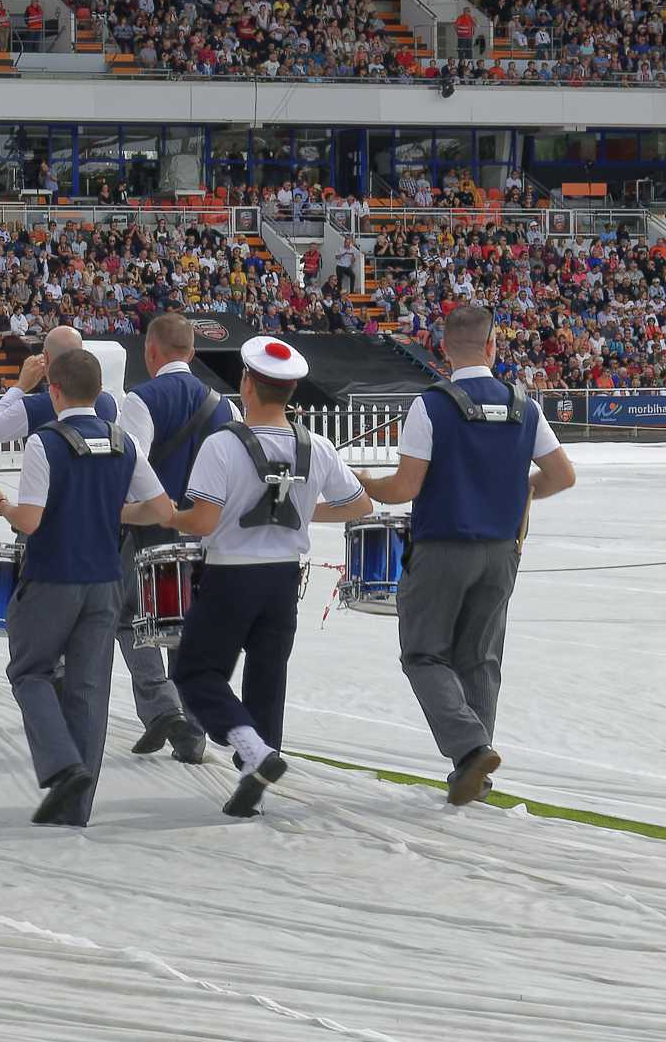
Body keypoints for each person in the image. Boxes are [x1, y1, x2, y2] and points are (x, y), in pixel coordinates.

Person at [355, 305, 575, 803]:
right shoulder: (525, 406)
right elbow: (562, 475)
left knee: (424, 653)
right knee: (480, 658)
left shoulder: (431, 405)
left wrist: (364, 482)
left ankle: (471, 748)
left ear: (442, 349)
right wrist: (520, 493)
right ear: (493, 347)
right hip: (501, 552)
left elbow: (404, 487)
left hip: (442, 548)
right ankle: (473, 766)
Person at [160, 336, 369, 818]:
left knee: (195, 672)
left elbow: (203, 521)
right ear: (290, 390)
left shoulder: (223, 443)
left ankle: (254, 751)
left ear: (246, 384)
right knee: (267, 676)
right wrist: (295, 512)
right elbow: (359, 505)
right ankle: (255, 772)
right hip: (282, 579)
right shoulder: (315, 444)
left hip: (231, 575)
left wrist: (168, 514)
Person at [0, 348, 172, 825]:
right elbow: (160, 508)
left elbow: (31, 519)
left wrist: (1, 505)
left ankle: (62, 764)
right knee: (89, 688)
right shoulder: (123, 440)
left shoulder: (47, 442)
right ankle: (76, 804)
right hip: (104, 578)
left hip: (52, 578)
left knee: (30, 672)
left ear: (55, 391)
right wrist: (113, 512)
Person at [109, 314, 230, 763]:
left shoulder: (141, 399)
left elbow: (132, 469)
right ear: (192, 351)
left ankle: (161, 707)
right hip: (203, 531)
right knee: (189, 625)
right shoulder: (224, 406)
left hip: (149, 528)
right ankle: (193, 729)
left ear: (151, 352)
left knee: (128, 619)